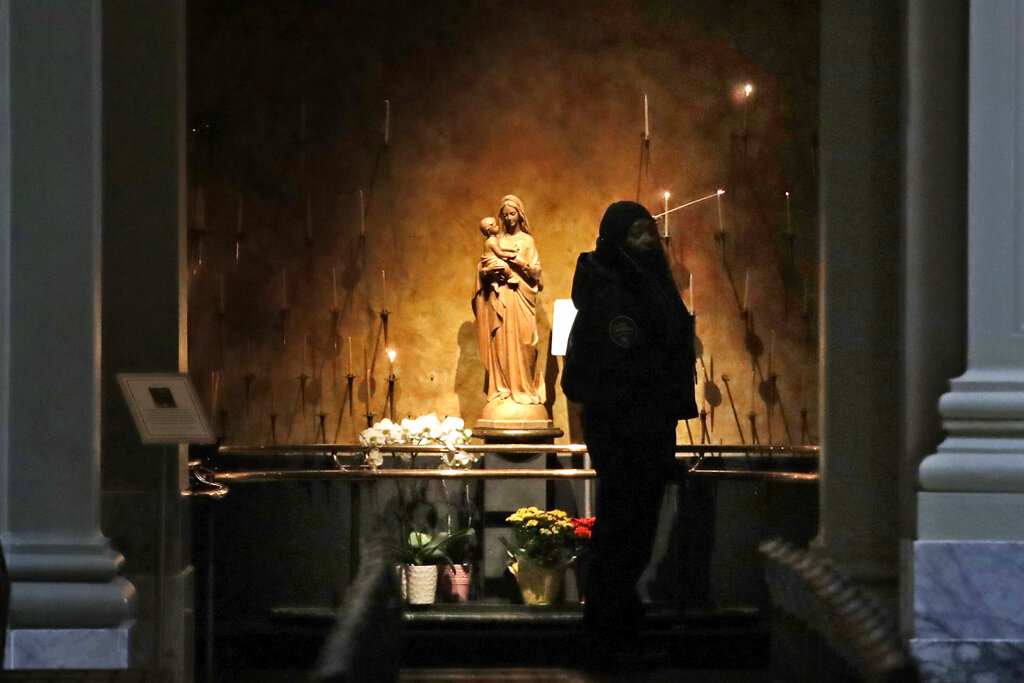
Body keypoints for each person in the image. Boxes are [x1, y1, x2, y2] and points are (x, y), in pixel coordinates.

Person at [561, 200, 698, 667]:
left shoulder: (648, 287)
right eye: (638, 233)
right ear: (617, 241)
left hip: (649, 427)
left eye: (650, 232)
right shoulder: (612, 291)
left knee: (635, 532)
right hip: (625, 431)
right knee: (623, 533)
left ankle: (621, 627)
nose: (648, 242)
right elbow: (602, 363)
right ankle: (605, 638)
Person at [473, 195, 544, 408]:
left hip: (521, 296)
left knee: (524, 342)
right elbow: (483, 268)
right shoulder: (496, 242)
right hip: (501, 298)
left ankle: (525, 390)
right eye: (505, 215)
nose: (509, 219)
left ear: (520, 215)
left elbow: (537, 274)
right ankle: (504, 389)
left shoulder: (527, 241)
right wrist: (486, 272)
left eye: (512, 214)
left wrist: (520, 264)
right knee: (502, 345)